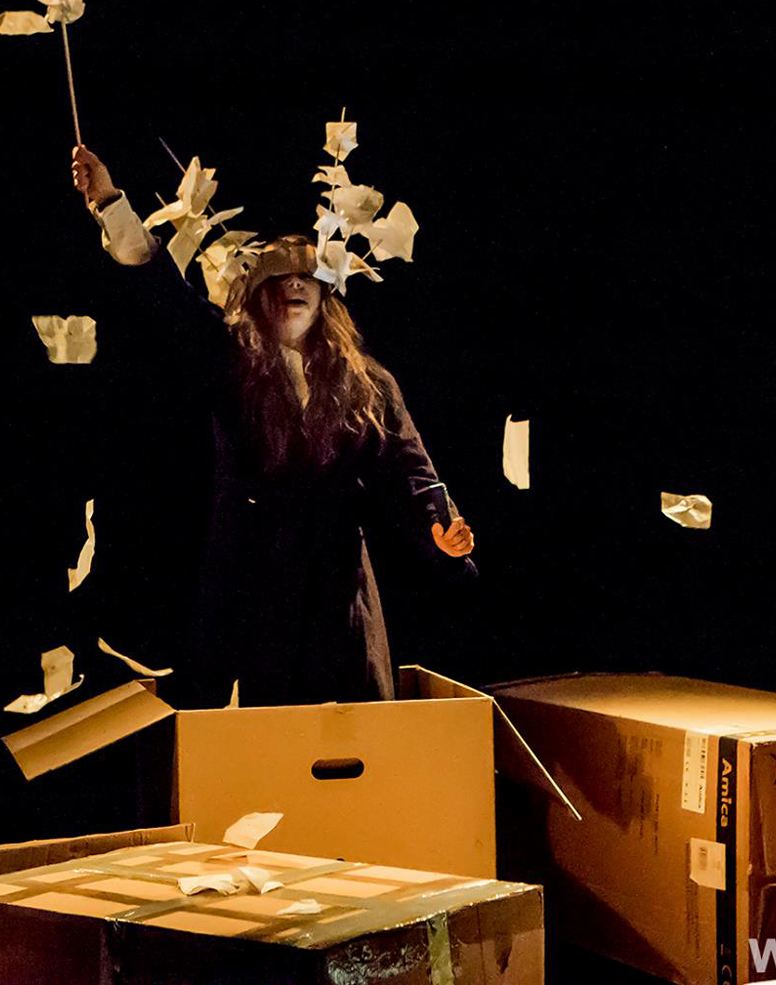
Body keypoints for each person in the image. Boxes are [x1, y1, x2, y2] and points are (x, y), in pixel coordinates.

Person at [70, 144, 475, 707]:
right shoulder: (231, 359)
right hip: (252, 582)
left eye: (307, 278)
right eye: (279, 279)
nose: (294, 286)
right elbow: (165, 294)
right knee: (263, 730)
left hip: (339, 588)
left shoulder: (367, 382)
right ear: (259, 296)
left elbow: (412, 469)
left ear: (326, 297)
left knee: (350, 723)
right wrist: (112, 202)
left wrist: (442, 525)